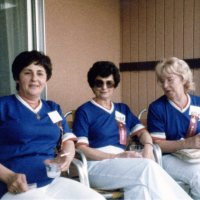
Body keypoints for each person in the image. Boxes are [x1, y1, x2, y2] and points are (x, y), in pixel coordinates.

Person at [72, 61, 192, 200]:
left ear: (114, 85)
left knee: (140, 188)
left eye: (109, 83)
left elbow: (142, 133)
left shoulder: (123, 109)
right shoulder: (84, 111)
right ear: (92, 85)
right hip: (97, 165)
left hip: (123, 163)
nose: (104, 87)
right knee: (147, 167)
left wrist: (147, 147)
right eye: (99, 83)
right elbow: (81, 149)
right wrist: (115, 157)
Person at [0, 50, 105, 200]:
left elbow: (67, 139)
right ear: (17, 77)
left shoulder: (52, 108)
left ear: (46, 78)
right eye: (27, 73)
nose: (34, 79)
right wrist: (8, 177)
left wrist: (66, 157)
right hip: (16, 187)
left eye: (40, 73)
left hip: (51, 181)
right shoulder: (3, 106)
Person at [147, 57, 200, 199]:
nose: (165, 85)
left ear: (183, 79)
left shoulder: (198, 103)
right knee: (199, 176)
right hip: (168, 158)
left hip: (195, 156)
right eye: (162, 81)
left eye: (170, 79)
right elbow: (157, 145)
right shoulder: (157, 108)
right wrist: (187, 143)